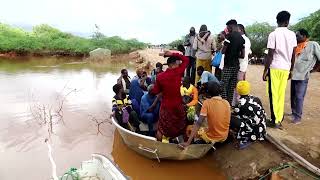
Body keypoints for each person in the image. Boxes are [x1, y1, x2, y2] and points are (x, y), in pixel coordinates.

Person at [263, 11, 297, 128]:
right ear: (287, 21)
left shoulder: (273, 34)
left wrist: (265, 70)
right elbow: (293, 54)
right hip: (286, 68)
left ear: (277, 21)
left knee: (273, 94)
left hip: (275, 67)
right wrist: (291, 70)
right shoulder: (292, 34)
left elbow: (270, 54)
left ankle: (274, 121)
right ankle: (279, 118)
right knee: (281, 94)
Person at [152, 50, 189, 142]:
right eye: (177, 63)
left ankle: (159, 146)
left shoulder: (160, 76)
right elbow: (186, 60)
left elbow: (155, 91)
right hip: (177, 105)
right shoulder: (178, 71)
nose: (178, 64)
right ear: (173, 64)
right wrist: (172, 54)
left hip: (166, 106)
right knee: (182, 125)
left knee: (161, 127)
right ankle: (185, 145)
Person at [179, 81, 230, 148]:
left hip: (213, 138)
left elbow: (198, 123)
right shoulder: (226, 102)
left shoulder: (207, 103)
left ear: (207, 93)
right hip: (224, 136)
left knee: (190, 129)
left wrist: (188, 142)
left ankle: (194, 143)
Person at [290, 29, 320, 124]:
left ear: (304, 36)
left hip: (303, 75)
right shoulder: (296, 46)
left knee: (299, 96)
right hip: (294, 74)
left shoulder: (313, 44)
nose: (296, 38)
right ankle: (294, 112)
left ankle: (298, 117)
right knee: (293, 96)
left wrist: (314, 69)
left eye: (297, 36)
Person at [230, 81, 266, 149]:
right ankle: (252, 136)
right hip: (262, 128)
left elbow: (235, 114)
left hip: (253, 129)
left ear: (238, 91)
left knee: (230, 119)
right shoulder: (256, 99)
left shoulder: (240, 104)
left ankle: (246, 138)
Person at [221, 19, 245, 105]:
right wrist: (235, 54)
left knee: (223, 85)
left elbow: (223, 51)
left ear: (231, 26)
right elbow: (243, 55)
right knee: (231, 87)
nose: (227, 29)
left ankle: (223, 103)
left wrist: (224, 43)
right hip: (236, 66)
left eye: (228, 27)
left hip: (228, 65)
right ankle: (228, 105)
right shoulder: (242, 38)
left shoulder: (229, 36)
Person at [232, 24, 252, 106]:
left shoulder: (244, 39)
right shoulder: (245, 39)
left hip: (241, 64)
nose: (235, 31)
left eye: (237, 30)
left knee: (238, 84)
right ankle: (235, 102)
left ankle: (238, 103)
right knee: (237, 84)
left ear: (241, 30)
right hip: (241, 64)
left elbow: (243, 53)